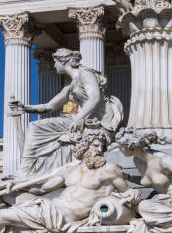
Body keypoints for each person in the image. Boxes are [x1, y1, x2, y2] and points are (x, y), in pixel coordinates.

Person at [0, 130, 136, 233]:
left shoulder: (109, 170)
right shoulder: (70, 170)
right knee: (4, 196)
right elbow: (42, 189)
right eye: (95, 146)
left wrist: (133, 194)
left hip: (60, 216)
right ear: (85, 146)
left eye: (102, 147)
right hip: (46, 207)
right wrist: (15, 185)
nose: (99, 150)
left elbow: (128, 194)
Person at [12, 49, 122, 178]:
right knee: (34, 127)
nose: (54, 66)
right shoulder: (70, 85)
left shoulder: (85, 74)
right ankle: (27, 168)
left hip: (97, 120)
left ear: (63, 61)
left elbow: (94, 98)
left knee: (36, 128)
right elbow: (50, 106)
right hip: (82, 118)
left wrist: (79, 118)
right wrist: (25, 107)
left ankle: (25, 170)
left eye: (55, 62)